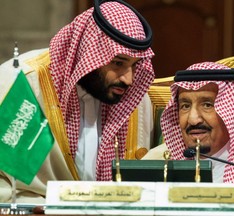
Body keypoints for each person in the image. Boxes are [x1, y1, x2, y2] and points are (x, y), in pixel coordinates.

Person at [0, 0, 155, 203]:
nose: (128, 79)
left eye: (135, 66)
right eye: (118, 63)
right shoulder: (26, 85)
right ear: (88, 53)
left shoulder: (133, 96)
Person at [143, 62, 234, 213]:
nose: (193, 119)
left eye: (207, 105)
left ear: (231, 110)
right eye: (185, 106)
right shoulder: (159, 161)